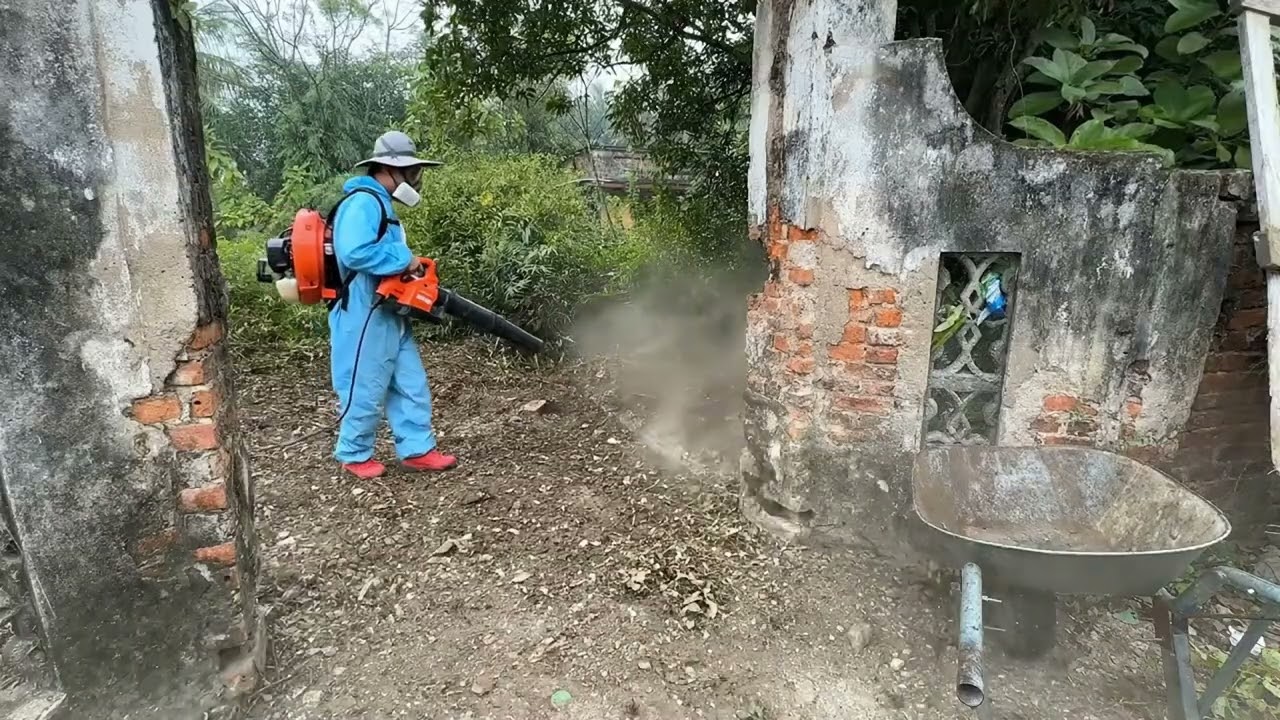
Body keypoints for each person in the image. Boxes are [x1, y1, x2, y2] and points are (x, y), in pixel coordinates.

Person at [328, 130, 456, 479]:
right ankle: (354, 454)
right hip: (363, 311)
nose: (415, 179)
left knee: (410, 382)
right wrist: (405, 258)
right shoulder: (362, 202)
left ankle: (417, 449)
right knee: (364, 383)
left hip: (388, 311)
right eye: (411, 171)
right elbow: (354, 251)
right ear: (388, 169)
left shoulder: (381, 203)